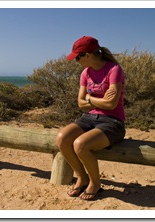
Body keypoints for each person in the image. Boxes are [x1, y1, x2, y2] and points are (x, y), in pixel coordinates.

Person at [56, 36, 126, 201]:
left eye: (78, 57)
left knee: (80, 144)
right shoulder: (85, 73)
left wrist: (89, 98)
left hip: (112, 121)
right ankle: (82, 177)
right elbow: (80, 104)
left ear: (87, 55)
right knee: (62, 138)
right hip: (89, 118)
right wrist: (94, 100)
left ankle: (95, 183)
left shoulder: (114, 70)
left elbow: (111, 105)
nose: (76, 60)